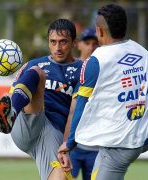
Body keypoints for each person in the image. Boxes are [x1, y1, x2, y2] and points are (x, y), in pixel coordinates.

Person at [0, 18, 83, 180]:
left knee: (61, 178)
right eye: (53, 42)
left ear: (74, 43)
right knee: (36, 74)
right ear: (48, 43)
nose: (57, 48)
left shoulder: (82, 70)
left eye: (63, 42)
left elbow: (74, 111)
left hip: (52, 135)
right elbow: (9, 100)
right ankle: (13, 113)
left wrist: (66, 146)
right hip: (26, 123)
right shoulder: (35, 64)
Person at [58, 4, 148, 180]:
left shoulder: (96, 61)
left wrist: (69, 142)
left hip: (119, 143)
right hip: (142, 136)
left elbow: (80, 105)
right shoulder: (142, 51)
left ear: (99, 31)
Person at [69, 27, 99, 180]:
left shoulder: (104, 71)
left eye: (95, 43)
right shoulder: (71, 70)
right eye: (87, 43)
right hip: (72, 145)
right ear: (78, 44)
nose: (91, 47)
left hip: (96, 144)